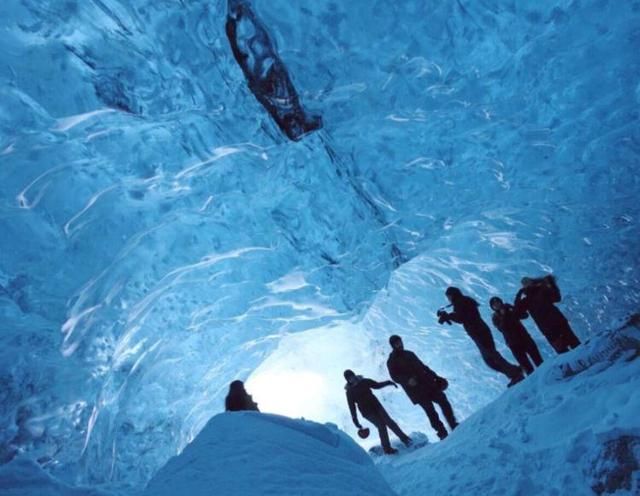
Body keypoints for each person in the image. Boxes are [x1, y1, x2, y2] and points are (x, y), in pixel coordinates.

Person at [225, 0, 322, 141]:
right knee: (257, 47)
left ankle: (238, 15)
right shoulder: (286, 106)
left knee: (255, 48)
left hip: (264, 80)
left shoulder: (282, 106)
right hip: (265, 79)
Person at [438, 287, 524, 387]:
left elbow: (462, 318)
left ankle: (515, 373)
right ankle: (514, 371)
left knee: (492, 357)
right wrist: (448, 316)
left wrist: (448, 316)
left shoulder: (460, 302)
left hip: (479, 332)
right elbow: (462, 317)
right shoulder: (463, 301)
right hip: (480, 331)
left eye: (448, 296)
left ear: (451, 295)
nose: (448, 299)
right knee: (490, 359)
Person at [386, 335, 458, 440]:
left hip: (428, 384)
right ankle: (441, 432)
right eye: (397, 343)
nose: (400, 344)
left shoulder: (409, 353)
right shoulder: (391, 360)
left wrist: (436, 377)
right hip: (416, 391)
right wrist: (407, 380)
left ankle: (453, 424)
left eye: (400, 341)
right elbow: (394, 377)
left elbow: (423, 366)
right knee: (430, 411)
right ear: (392, 345)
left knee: (443, 400)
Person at [344, 369, 411, 455]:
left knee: (389, 422)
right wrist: (355, 419)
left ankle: (406, 440)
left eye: (352, 376)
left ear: (354, 375)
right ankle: (387, 449)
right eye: (349, 378)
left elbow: (377, 385)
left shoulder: (364, 381)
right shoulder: (349, 392)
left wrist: (388, 382)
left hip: (376, 406)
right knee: (381, 426)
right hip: (367, 412)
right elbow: (352, 406)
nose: (352, 378)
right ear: (347, 380)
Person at [515, 275, 581, 354]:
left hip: (558, 322)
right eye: (524, 283)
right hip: (547, 328)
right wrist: (519, 294)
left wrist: (551, 284)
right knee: (563, 352)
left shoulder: (542, 290)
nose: (526, 284)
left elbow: (557, 298)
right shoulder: (526, 301)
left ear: (531, 281)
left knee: (574, 344)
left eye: (527, 281)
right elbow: (518, 313)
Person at [490, 296, 544, 375]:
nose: (497, 305)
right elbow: (502, 328)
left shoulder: (509, 308)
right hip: (513, 344)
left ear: (501, 302)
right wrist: (504, 315)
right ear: (493, 307)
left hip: (525, 338)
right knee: (527, 367)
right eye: (494, 304)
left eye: (497, 302)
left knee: (538, 360)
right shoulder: (495, 317)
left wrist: (515, 308)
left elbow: (524, 315)